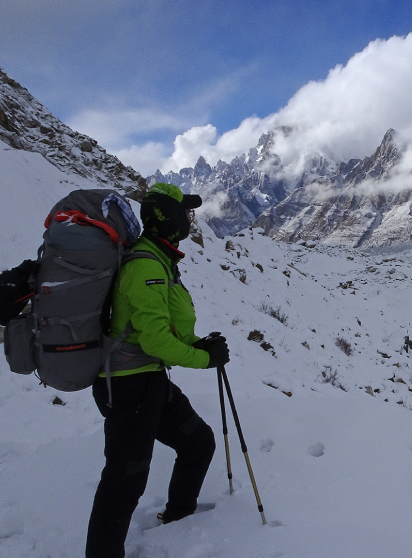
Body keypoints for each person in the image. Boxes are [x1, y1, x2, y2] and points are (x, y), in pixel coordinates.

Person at [85, 183, 230, 558]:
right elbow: (155, 342)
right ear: (167, 216)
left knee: (198, 443)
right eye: (185, 212)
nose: (190, 218)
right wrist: (204, 359)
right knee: (125, 479)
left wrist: (199, 344)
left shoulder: (159, 259)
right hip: (128, 386)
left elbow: (161, 328)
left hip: (147, 380)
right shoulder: (146, 266)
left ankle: (179, 521)